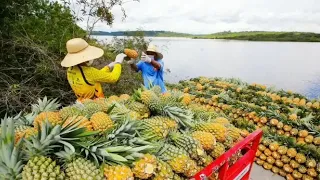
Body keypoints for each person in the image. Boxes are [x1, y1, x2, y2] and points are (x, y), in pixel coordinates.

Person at [61, 38, 127, 102]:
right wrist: (118, 63)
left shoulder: (70, 70)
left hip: (81, 103)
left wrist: (108, 67)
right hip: (96, 104)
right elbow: (113, 78)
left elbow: (94, 77)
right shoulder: (89, 71)